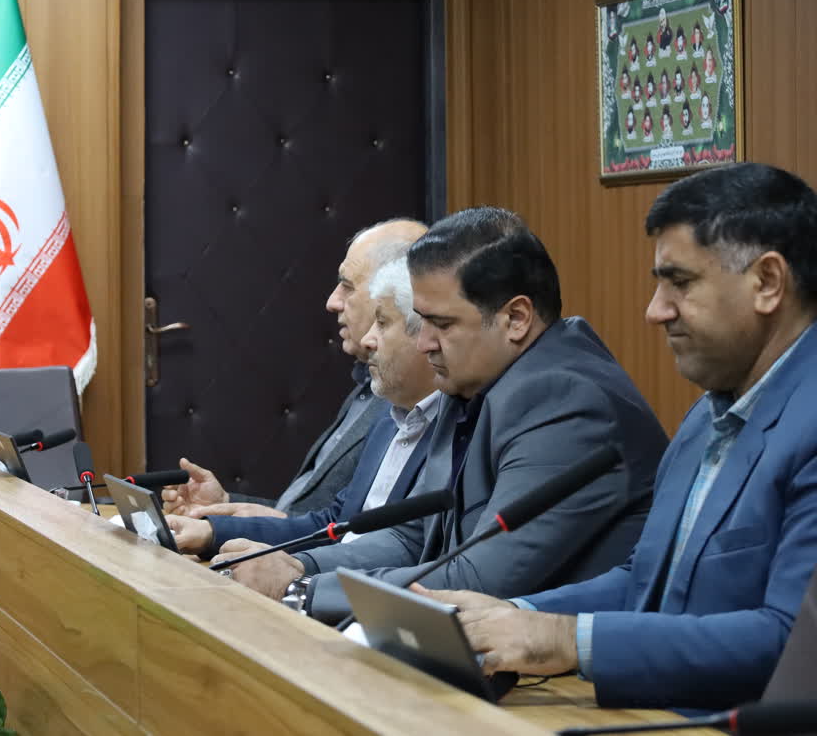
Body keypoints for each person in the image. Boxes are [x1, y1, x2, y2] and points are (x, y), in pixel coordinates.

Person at [420, 164, 817, 712]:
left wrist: (566, 640)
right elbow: (645, 581)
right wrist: (516, 616)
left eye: (680, 282)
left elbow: (792, 646)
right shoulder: (707, 415)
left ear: (768, 282)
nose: (655, 310)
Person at [213, 209, 668, 624]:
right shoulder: (472, 379)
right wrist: (297, 564)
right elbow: (411, 537)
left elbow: (480, 578)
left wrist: (302, 591)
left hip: (568, 662)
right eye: (420, 320)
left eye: (442, 324)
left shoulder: (566, 402)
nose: (424, 342)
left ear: (516, 318)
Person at [166, 248, 440, 557]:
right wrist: (212, 530)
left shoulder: (453, 431)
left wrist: (299, 573)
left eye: (383, 322)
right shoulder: (388, 419)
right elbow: (332, 525)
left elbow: (405, 553)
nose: (368, 339)